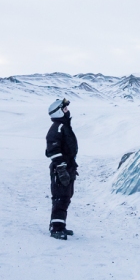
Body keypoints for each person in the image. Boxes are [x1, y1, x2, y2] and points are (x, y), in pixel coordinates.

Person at [45, 98, 78, 240]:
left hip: (68, 167)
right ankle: (56, 228)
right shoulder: (57, 128)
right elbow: (52, 150)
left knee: (66, 197)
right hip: (61, 169)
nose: (67, 111)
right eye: (64, 109)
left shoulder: (64, 126)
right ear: (58, 112)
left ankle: (60, 225)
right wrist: (61, 168)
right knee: (60, 197)